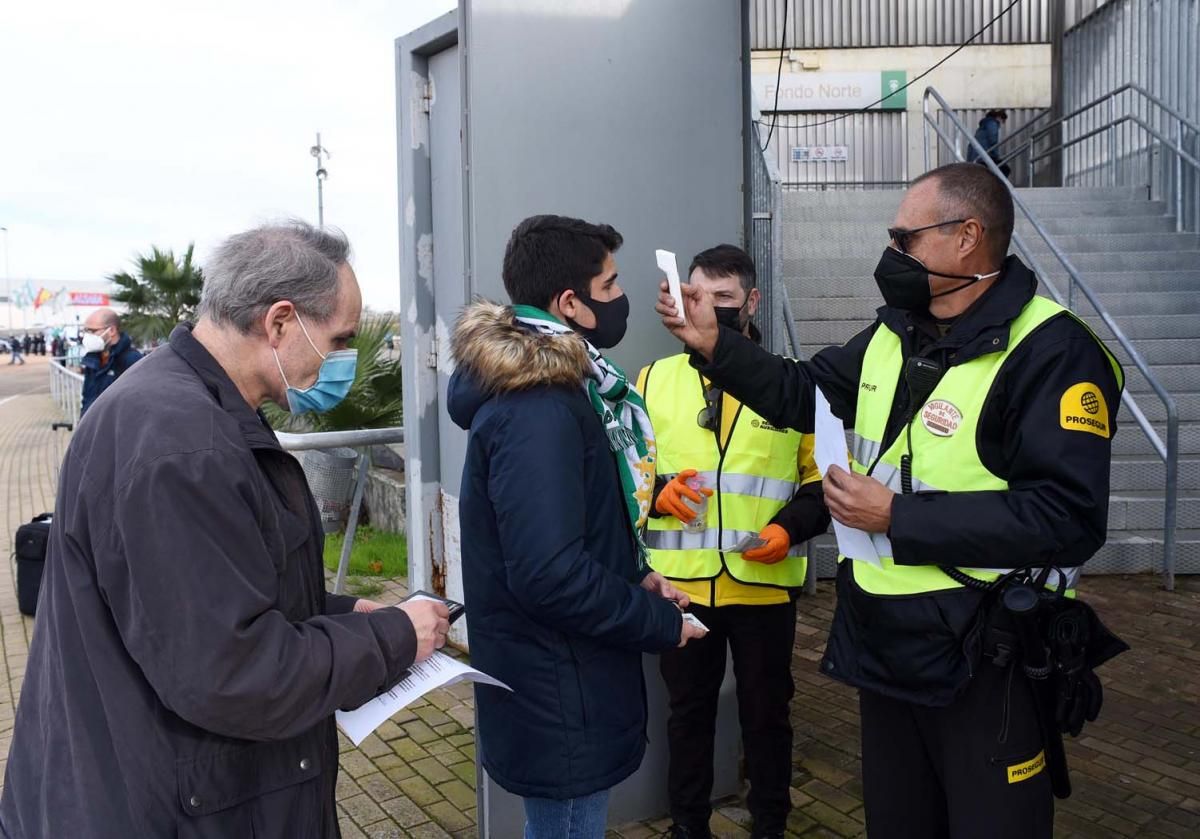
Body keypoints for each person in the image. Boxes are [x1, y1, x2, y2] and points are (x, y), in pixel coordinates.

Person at [656, 163, 1125, 839]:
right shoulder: (894, 333)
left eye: (905, 239)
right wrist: (713, 344)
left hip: (985, 657)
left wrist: (897, 517)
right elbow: (801, 392)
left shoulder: (1051, 353)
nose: (891, 254)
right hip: (887, 647)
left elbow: (1068, 517)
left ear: (967, 237)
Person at [1, 221, 450, 839]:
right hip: (160, 805)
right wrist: (392, 639)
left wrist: (344, 611)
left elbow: (212, 592)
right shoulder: (182, 445)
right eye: (341, 337)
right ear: (281, 322)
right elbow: (236, 673)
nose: (346, 357)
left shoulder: (181, 408)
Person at [448, 214, 707, 838]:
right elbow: (549, 576)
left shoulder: (564, 392)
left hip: (565, 679)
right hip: (560, 690)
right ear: (572, 303)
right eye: (612, 286)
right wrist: (660, 624)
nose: (622, 301)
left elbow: (574, 531)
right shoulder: (540, 406)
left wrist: (638, 578)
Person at [638, 245, 830, 839]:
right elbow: (622, 476)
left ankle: (770, 825)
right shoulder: (651, 380)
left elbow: (824, 485)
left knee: (767, 717)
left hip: (764, 591)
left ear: (751, 302)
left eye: (724, 301)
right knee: (687, 717)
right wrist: (657, 491)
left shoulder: (790, 385)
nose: (709, 311)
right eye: (698, 298)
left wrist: (787, 528)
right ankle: (688, 828)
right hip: (681, 590)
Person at [79, 309, 143, 416]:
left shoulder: (132, 360)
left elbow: (138, 403)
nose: (87, 336)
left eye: (92, 331)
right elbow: (87, 397)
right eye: (86, 331)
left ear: (112, 330)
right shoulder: (92, 359)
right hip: (92, 426)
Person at [967, 109, 1011, 177]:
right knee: (1005, 169)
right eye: (1003, 120)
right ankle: (998, 186)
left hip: (976, 156)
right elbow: (993, 141)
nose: (1002, 123)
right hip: (983, 156)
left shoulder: (983, 126)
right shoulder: (992, 123)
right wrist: (996, 156)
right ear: (999, 117)